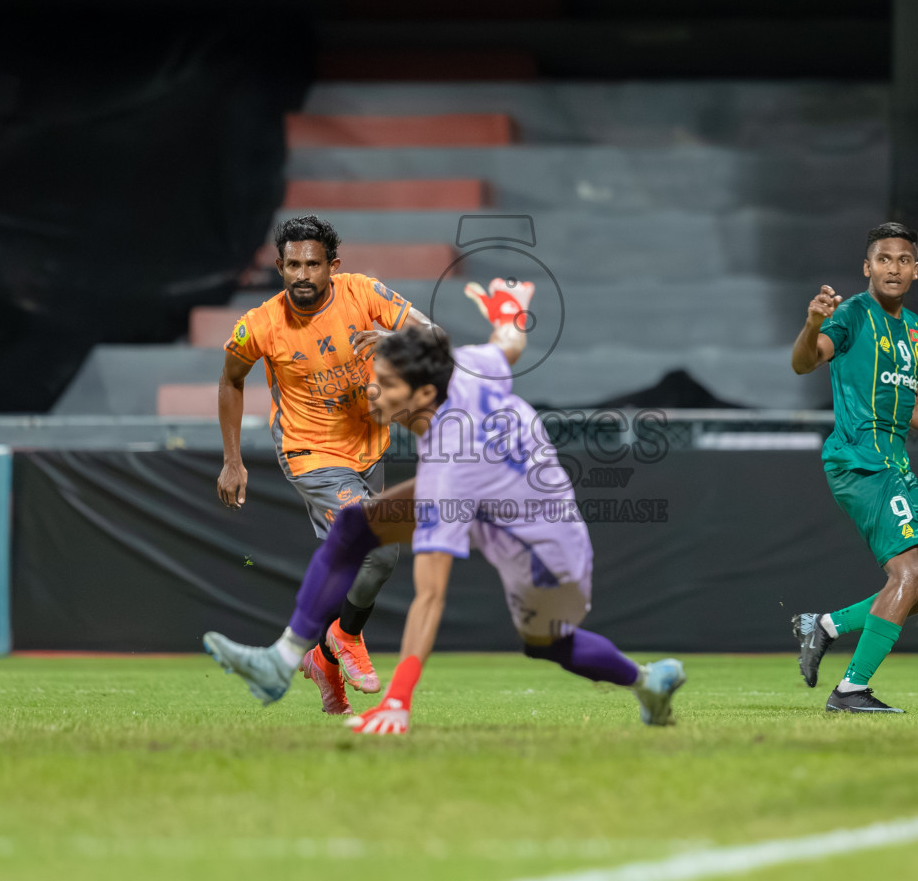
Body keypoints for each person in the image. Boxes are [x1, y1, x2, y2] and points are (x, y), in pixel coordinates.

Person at [202, 281, 686, 734]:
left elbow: (430, 599)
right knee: (356, 526)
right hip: (506, 497)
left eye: (387, 382)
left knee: (549, 644)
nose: (371, 388)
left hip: (548, 552)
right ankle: (282, 660)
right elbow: (509, 344)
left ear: (424, 394)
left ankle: (647, 681)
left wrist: (398, 701)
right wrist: (511, 309)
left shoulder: (448, 472)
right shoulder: (469, 366)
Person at [216, 214, 438, 715]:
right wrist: (233, 461)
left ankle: (322, 662)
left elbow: (436, 336)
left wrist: (396, 343)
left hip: (369, 445)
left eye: (312, 265)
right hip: (310, 453)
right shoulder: (259, 325)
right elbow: (230, 380)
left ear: (332, 267)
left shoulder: (362, 294)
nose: (301, 275)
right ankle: (343, 637)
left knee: (349, 567)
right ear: (279, 267)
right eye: (291, 264)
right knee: (379, 547)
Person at [788, 222, 918, 713]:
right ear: (868, 268)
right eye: (884, 259)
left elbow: (915, 408)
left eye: (903, 260)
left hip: (897, 467)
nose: (894, 268)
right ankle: (850, 691)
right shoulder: (850, 316)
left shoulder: (916, 330)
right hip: (860, 463)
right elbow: (805, 363)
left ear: (916, 271)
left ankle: (824, 626)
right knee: (910, 571)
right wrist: (811, 324)